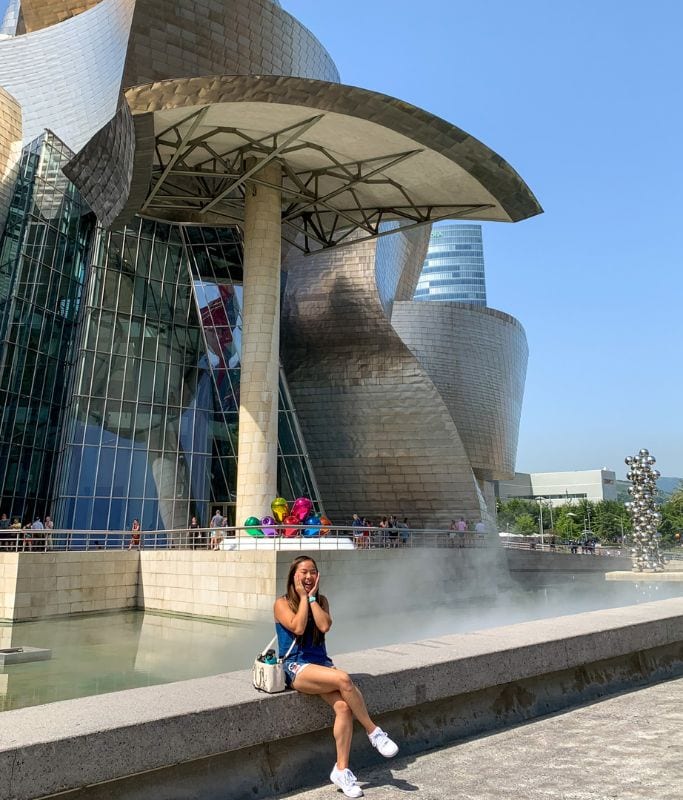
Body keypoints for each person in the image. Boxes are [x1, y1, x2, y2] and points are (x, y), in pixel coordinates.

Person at [274, 556, 398, 797]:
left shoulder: (321, 601)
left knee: (342, 708)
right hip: (295, 667)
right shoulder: (281, 603)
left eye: (312, 572)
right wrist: (301, 598)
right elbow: (298, 628)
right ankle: (374, 732)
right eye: (303, 572)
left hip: (320, 665)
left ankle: (341, 770)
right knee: (343, 679)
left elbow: (324, 625)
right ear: (293, 576)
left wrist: (310, 599)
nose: (308, 576)